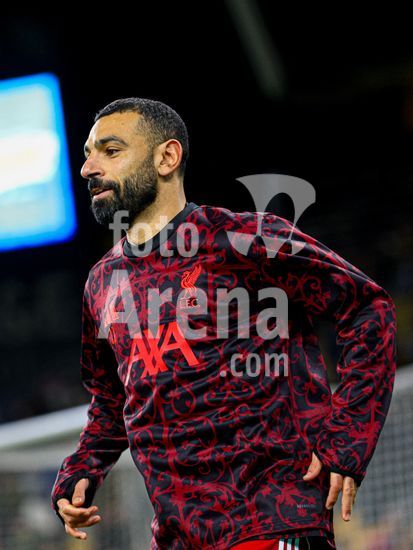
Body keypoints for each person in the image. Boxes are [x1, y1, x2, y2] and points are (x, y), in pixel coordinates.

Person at [51, 98, 397, 550]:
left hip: (272, 518)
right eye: (87, 155)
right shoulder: (102, 283)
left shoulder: (244, 239)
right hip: (178, 536)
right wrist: (82, 469)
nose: (88, 169)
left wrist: (346, 438)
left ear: (167, 158)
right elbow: (112, 399)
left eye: (110, 151)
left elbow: (368, 308)